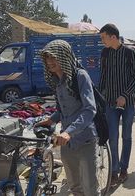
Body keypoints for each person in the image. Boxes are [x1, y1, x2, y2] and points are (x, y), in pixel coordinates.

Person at [38, 40, 100, 195]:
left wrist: (69, 132)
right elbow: (62, 110)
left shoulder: (80, 76)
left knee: (90, 188)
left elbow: (89, 109)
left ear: (64, 57)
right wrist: (52, 119)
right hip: (66, 144)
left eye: (54, 57)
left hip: (85, 140)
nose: (50, 62)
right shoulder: (56, 81)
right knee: (75, 187)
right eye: (47, 58)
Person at [99, 23, 135, 186]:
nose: (102, 41)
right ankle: (114, 171)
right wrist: (99, 95)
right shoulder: (105, 53)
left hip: (128, 103)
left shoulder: (131, 53)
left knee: (126, 136)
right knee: (113, 137)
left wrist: (125, 95)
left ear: (113, 37)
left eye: (103, 38)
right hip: (110, 102)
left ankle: (124, 168)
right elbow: (103, 76)